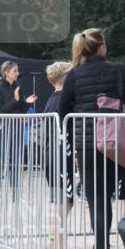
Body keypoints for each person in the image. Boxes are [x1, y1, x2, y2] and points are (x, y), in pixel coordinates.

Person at [57, 28, 125, 249]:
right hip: (115, 141)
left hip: (87, 143)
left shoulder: (74, 74)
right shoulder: (117, 70)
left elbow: (63, 109)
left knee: (97, 200)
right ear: (102, 46)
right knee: (108, 197)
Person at [0, 60, 38, 201]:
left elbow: (22, 109)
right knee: (0, 159)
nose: (18, 73)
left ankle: (16, 194)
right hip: (4, 129)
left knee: (16, 160)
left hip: (17, 128)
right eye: (15, 71)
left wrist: (26, 102)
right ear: (7, 72)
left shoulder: (17, 86)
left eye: (17, 70)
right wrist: (16, 100)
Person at [42, 61, 75, 235]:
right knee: (65, 202)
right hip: (60, 156)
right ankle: (54, 244)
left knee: (63, 202)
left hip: (53, 155)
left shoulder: (52, 99)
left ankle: (54, 242)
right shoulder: (63, 100)